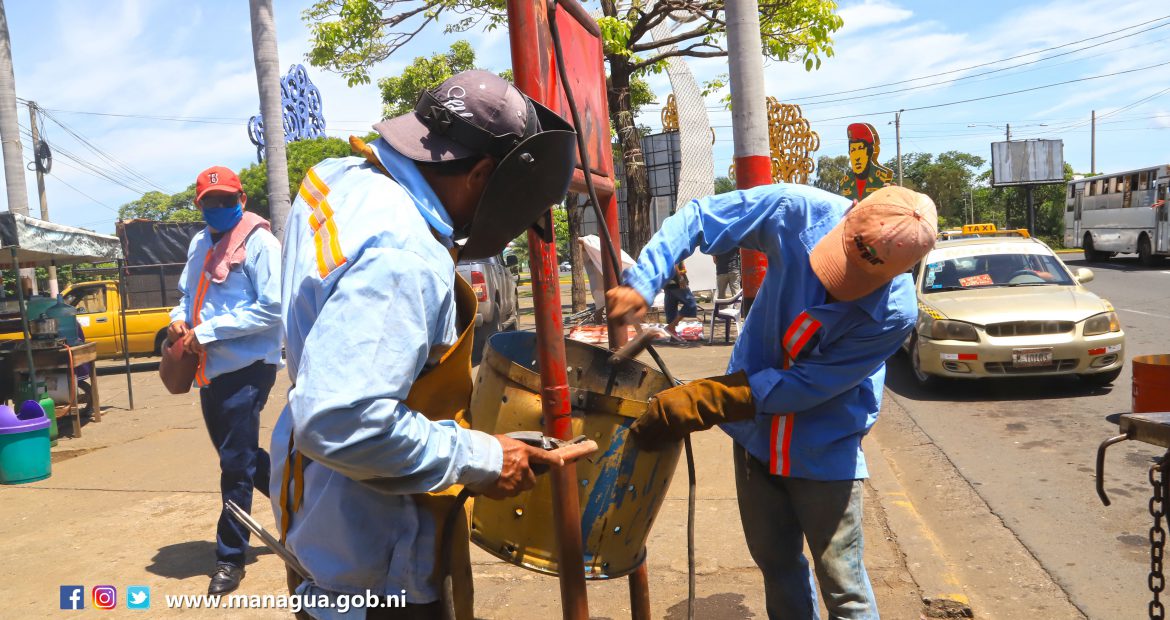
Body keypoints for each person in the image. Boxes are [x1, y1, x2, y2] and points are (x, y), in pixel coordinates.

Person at [271, 70, 576, 619]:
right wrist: (484, 457)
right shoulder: (404, 257)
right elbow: (341, 420)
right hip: (375, 562)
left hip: (318, 516)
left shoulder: (339, 178)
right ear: (481, 173)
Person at [607, 184, 937, 619]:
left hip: (823, 447)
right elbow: (701, 217)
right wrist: (644, 280)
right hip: (756, 439)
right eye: (840, 261)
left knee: (844, 587)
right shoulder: (798, 212)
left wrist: (713, 399)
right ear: (850, 213)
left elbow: (807, 385)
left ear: (901, 271)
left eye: (862, 278)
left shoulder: (894, 315)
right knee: (776, 563)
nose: (837, 284)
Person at [167, 166, 283, 595]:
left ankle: (230, 557)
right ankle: (301, 498)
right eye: (210, 202)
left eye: (226, 200)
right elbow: (187, 295)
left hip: (248, 366)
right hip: (209, 370)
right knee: (241, 456)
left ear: (242, 200)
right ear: (199, 205)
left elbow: (273, 307)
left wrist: (209, 331)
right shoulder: (200, 242)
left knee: (234, 465)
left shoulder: (261, 243)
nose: (218, 207)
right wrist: (178, 320)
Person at [840, 123, 894, 202]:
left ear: (869, 152)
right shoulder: (845, 182)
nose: (857, 157)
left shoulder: (882, 177)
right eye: (853, 150)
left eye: (861, 149)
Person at [663, 261, 698, 341]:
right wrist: (680, 278)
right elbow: (674, 262)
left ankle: (673, 336)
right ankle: (671, 326)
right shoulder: (674, 253)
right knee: (691, 304)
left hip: (668, 283)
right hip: (676, 282)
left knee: (670, 308)